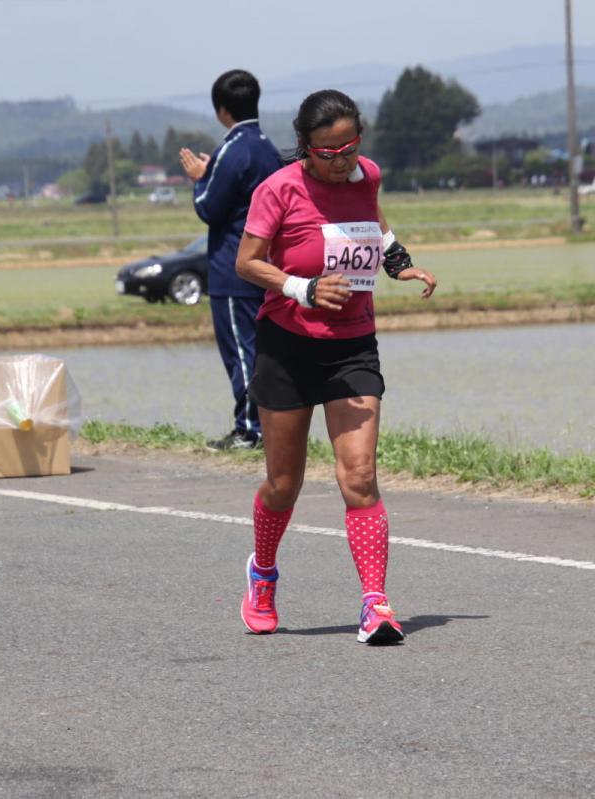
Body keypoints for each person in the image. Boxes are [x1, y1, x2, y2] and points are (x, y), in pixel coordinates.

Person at [233, 90, 437, 645]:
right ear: (305, 148)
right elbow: (247, 262)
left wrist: (400, 264)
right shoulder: (279, 189)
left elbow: (373, 223)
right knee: (283, 483)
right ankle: (263, 575)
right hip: (287, 345)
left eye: (350, 146)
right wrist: (302, 287)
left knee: (360, 477)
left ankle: (375, 605)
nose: (341, 159)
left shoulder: (366, 175)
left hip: (352, 345)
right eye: (328, 152)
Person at [179, 69, 283, 450]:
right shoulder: (267, 147)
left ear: (222, 111)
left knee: (241, 350)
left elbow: (209, 207)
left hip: (232, 267)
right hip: (266, 264)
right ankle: (265, 426)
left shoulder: (233, 148)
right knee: (262, 349)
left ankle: (250, 430)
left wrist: (200, 177)